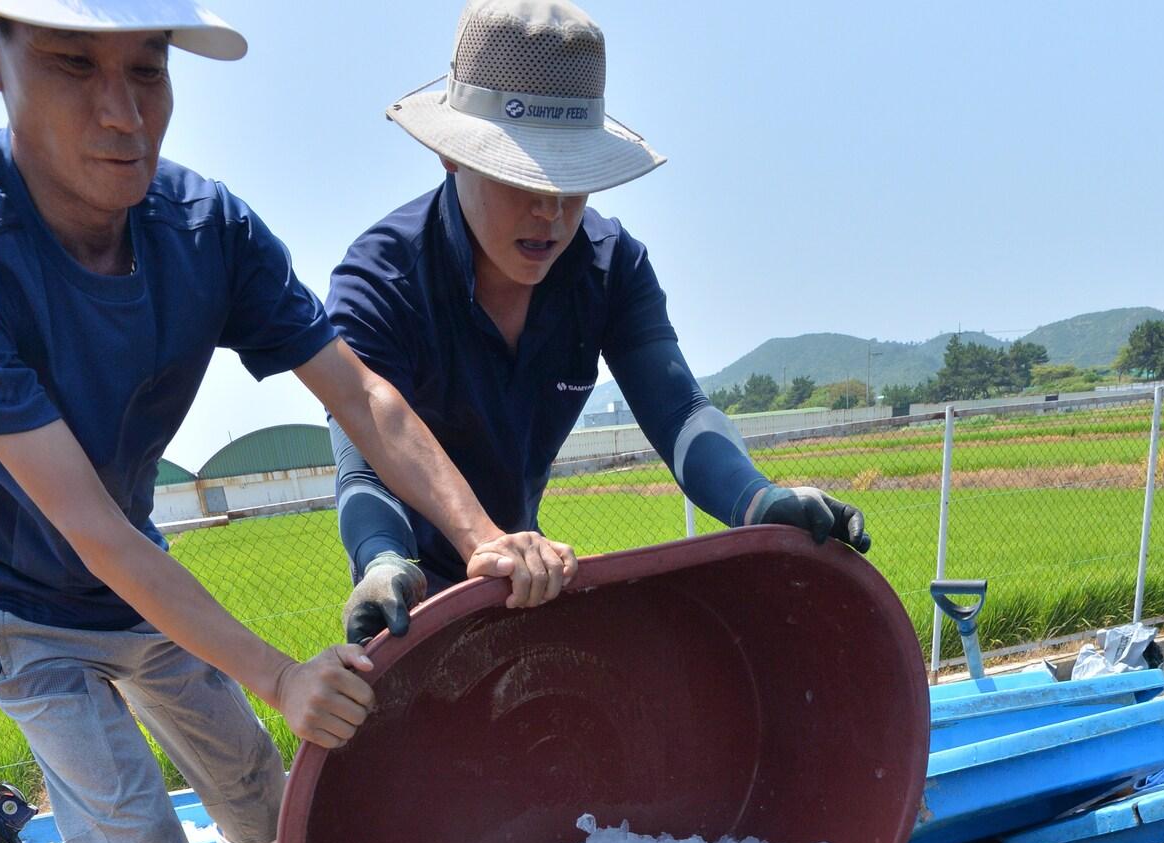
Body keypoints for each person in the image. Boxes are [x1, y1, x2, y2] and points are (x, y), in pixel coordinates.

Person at [0, 0, 576, 843]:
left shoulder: (203, 228)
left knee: (251, 777)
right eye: (74, 66)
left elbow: (360, 395)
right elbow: (86, 533)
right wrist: (277, 668)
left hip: (137, 569)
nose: (122, 114)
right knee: (136, 839)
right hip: (16, 595)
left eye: (148, 70)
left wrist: (479, 538)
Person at [328, 0, 870, 647]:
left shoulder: (610, 267)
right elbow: (363, 461)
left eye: (572, 180)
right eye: (519, 175)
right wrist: (383, 561)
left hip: (515, 575)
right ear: (452, 156)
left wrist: (758, 502)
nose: (550, 212)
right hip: (411, 602)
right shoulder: (382, 281)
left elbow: (680, 415)